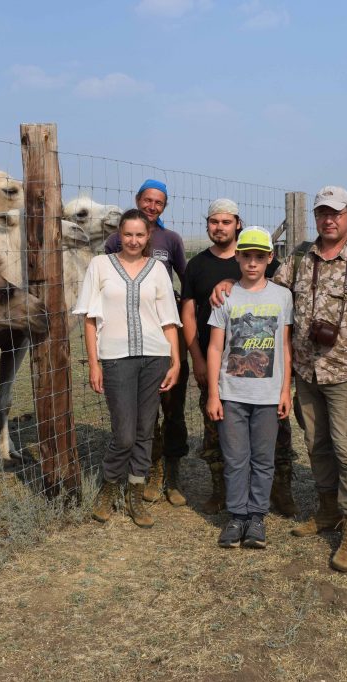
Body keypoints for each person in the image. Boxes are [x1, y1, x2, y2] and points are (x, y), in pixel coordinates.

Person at [212, 185, 347, 572]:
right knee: (317, 446)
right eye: (322, 213)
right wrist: (227, 284)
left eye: (335, 213)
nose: (328, 220)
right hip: (307, 372)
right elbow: (262, 289)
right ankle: (328, 510)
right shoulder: (299, 258)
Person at [180, 199, 298, 517]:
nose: (219, 227)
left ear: (237, 224)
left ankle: (279, 491)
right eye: (214, 221)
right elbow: (188, 312)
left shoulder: (259, 261)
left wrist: (231, 281)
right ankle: (223, 492)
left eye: (226, 221)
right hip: (221, 366)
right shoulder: (198, 265)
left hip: (265, 375)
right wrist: (198, 358)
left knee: (275, 439)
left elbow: (271, 291)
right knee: (218, 433)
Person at [77, 209, 182, 528]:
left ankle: (135, 494)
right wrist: (94, 363)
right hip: (116, 359)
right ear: (119, 235)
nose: (133, 240)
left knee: (145, 431)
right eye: (128, 234)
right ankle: (109, 487)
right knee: (124, 434)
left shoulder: (157, 270)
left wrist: (175, 361)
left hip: (155, 357)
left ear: (148, 236)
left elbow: (168, 320)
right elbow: (90, 318)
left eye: (139, 235)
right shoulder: (100, 265)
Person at [206, 227, 292, 549]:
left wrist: (284, 390)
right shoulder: (226, 296)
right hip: (232, 395)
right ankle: (237, 516)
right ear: (238, 258)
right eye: (246, 257)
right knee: (236, 458)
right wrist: (214, 394)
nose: (252, 263)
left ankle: (257, 516)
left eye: (259, 257)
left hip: (268, 396)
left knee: (263, 458)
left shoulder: (282, 296)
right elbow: (216, 347)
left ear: (270, 258)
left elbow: (285, 346)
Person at [105, 179, 190, 507]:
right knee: (145, 411)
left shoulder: (171, 240)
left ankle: (173, 471)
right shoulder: (116, 240)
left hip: (165, 331)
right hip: (130, 336)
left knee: (173, 405)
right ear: (138, 199)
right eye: (148, 200)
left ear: (164, 206)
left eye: (159, 202)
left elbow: (186, 282)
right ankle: (151, 469)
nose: (152, 206)